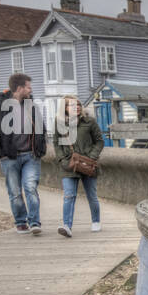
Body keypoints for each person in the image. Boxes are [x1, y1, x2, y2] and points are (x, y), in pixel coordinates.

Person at [0, 73, 45, 234]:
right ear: (20, 88)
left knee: (30, 187)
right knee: (15, 192)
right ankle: (21, 222)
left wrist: (41, 149)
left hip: (30, 156)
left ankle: (34, 222)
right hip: (9, 157)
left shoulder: (31, 105)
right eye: (28, 87)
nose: (30, 90)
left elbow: (41, 128)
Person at [54, 96, 103, 238]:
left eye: (79, 105)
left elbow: (99, 141)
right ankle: (67, 226)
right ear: (65, 108)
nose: (77, 108)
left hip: (87, 164)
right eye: (72, 105)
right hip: (69, 165)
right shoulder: (59, 123)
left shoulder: (90, 122)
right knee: (69, 195)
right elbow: (56, 143)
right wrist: (62, 160)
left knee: (91, 195)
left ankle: (96, 221)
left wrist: (91, 157)